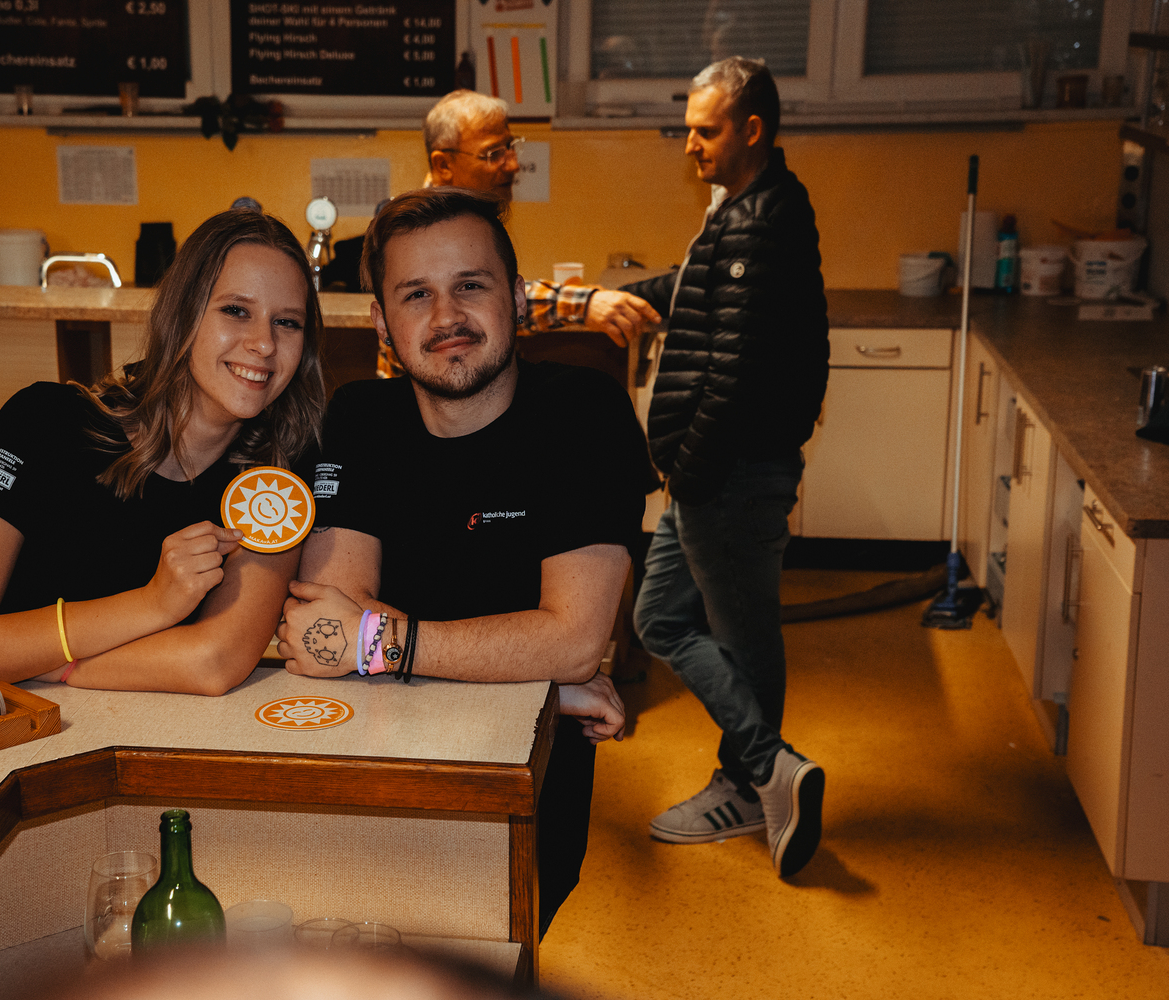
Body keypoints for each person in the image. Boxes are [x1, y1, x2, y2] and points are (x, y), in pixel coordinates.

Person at [275, 187, 653, 934]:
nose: (446, 317)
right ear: (382, 322)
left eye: (470, 286)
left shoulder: (583, 412)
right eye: (416, 294)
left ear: (517, 298)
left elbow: (574, 639)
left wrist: (387, 645)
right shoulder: (357, 419)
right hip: (377, 776)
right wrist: (540, 681)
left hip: (518, 791)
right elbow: (325, 632)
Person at [0, 210, 325, 697]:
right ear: (181, 313)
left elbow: (214, 662)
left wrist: (39, 663)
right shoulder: (41, 422)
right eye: (236, 310)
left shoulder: (281, 469)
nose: (264, 344)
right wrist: (153, 604)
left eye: (287, 322)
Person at [619, 57, 830, 877]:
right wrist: (630, 296)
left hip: (728, 474)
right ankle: (767, 768)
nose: (690, 145)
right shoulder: (751, 209)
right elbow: (702, 289)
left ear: (752, 130)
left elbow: (734, 370)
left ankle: (751, 781)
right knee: (658, 619)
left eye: (704, 131)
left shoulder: (757, 222)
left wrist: (690, 466)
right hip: (715, 473)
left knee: (743, 639)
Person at [422, 90, 661, 347]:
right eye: (493, 154)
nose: (513, 165)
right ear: (443, 165)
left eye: (510, 147)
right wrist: (582, 305)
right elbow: (485, 300)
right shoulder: (419, 230)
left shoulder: (472, 220)